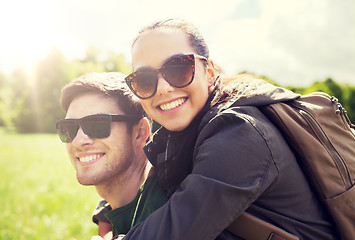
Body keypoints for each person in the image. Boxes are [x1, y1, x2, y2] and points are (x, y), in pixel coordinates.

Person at [116, 18, 340, 240]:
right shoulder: (187, 134)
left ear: (210, 72)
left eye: (179, 69)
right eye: (144, 80)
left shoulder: (241, 132)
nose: (163, 89)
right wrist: (107, 213)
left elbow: (178, 229)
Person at [56, 72, 168, 239]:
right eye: (69, 128)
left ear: (140, 132)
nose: (78, 141)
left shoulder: (167, 215)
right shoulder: (116, 207)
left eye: (97, 125)